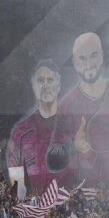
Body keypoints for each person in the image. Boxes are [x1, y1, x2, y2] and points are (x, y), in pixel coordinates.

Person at [52, 33, 109, 188]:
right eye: (82, 58)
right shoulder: (67, 105)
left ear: (102, 56)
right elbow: (53, 159)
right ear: (74, 62)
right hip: (84, 190)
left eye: (93, 55)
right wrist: (75, 145)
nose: (88, 63)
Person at [6, 59, 70, 195]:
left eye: (50, 80)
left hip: (70, 205)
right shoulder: (20, 132)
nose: (45, 85)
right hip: (38, 207)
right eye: (40, 81)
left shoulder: (72, 126)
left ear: (58, 86)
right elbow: (16, 180)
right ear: (33, 86)